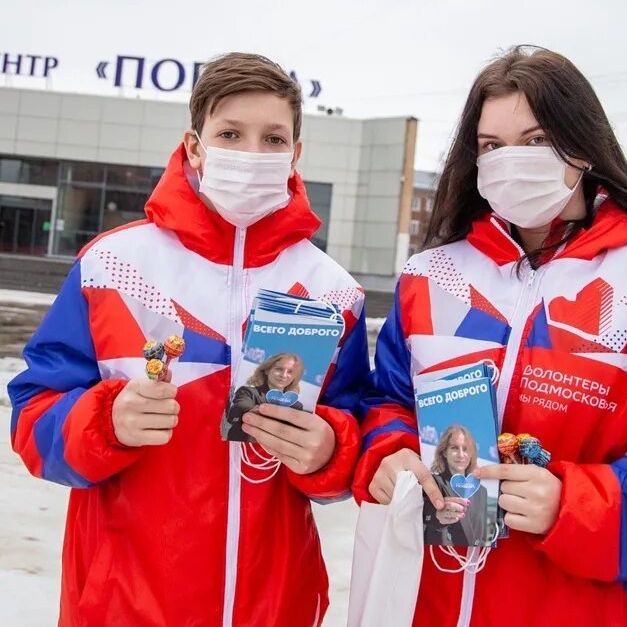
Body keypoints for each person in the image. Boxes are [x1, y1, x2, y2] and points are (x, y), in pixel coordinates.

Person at [353, 46, 627, 627]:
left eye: (535, 140)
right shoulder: (430, 278)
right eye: (491, 146)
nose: (511, 161)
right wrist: (388, 453)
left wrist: (573, 504)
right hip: (433, 599)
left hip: (589, 607)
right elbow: (389, 406)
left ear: (580, 146)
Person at [8, 52, 369, 626]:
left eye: (273, 138)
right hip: (123, 606)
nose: (252, 153)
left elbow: (355, 431)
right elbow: (33, 417)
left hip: (274, 607)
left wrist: (329, 450)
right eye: (230, 133)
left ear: (296, 154)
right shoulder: (111, 265)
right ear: (195, 146)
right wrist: (102, 421)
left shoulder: (334, 292)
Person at [422, 425, 489, 547]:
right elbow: (423, 514)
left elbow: (482, 533)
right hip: (439, 553)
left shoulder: (481, 491)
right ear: (444, 452)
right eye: (454, 448)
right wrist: (437, 515)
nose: (461, 454)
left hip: (474, 558)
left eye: (466, 449)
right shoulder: (433, 482)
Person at [226, 353, 305, 441]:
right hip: (244, 447)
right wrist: (253, 411)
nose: (284, 375)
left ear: (295, 377)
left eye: (290, 372)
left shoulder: (296, 406)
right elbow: (238, 408)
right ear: (267, 370)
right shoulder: (248, 392)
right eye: (279, 369)